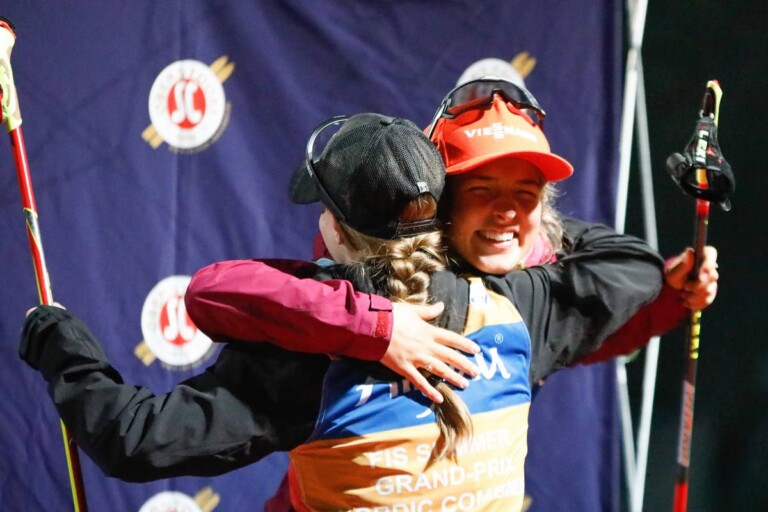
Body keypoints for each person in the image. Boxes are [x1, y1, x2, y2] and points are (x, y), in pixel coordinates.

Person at [22, 110, 666, 511]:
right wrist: (525, 214)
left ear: (333, 226)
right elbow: (635, 266)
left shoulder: (309, 354)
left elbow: (134, 440)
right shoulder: (521, 306)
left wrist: (60, 345)